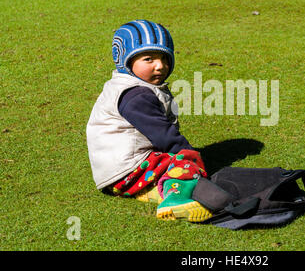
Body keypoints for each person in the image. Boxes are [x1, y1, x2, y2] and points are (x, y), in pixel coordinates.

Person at [86, 20, 212, 222]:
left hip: (117, 173)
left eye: (164, 58)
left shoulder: (133, 85)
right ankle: (174, 199)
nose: (160, 66)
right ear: (126, 62)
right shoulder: (135, 96)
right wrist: (192, 156)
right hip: (128, 169)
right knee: (186, 163)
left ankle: (151, 190)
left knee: (175, 160)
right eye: (148, 59)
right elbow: (164, 135)